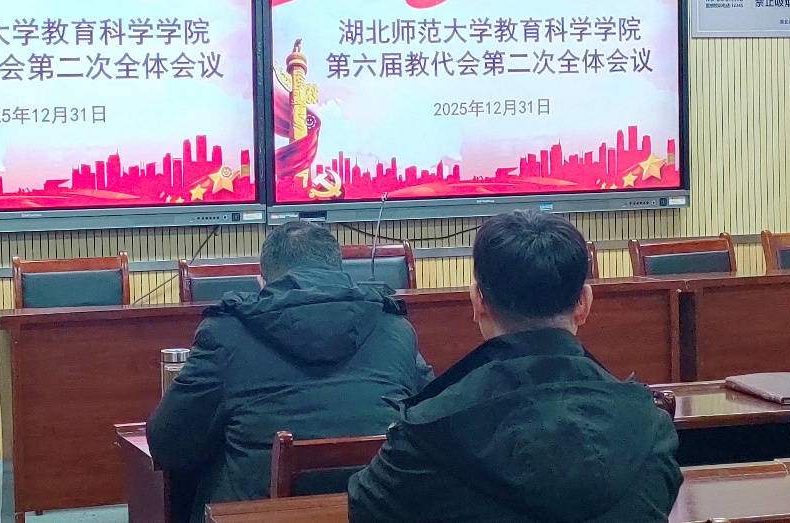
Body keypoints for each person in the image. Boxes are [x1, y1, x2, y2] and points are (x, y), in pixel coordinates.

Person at [348, 211, 682, 523]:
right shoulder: (652, 431)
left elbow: (365, 508)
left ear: (478, 301)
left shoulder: (424, 437)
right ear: (584, 303)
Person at [146, 221, 433, 523]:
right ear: (339, 271)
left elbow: (168, 446)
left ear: (263, 283)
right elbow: (433, 427)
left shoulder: (225, 334)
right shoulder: (395, 329)